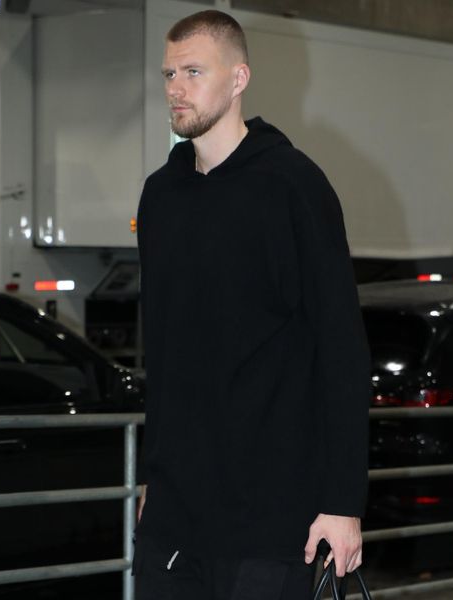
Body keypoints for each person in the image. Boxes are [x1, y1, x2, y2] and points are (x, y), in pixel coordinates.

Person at [134, 10, 371, 599]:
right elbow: (160, 354)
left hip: (271, 514)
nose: (175, 88)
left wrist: (343, 505)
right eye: (168, 73)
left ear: (239, 79)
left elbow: (341, 350)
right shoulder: (161, 196)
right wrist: (151, 480)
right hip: (176, 517)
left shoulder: (294, 186)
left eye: (193, 71)